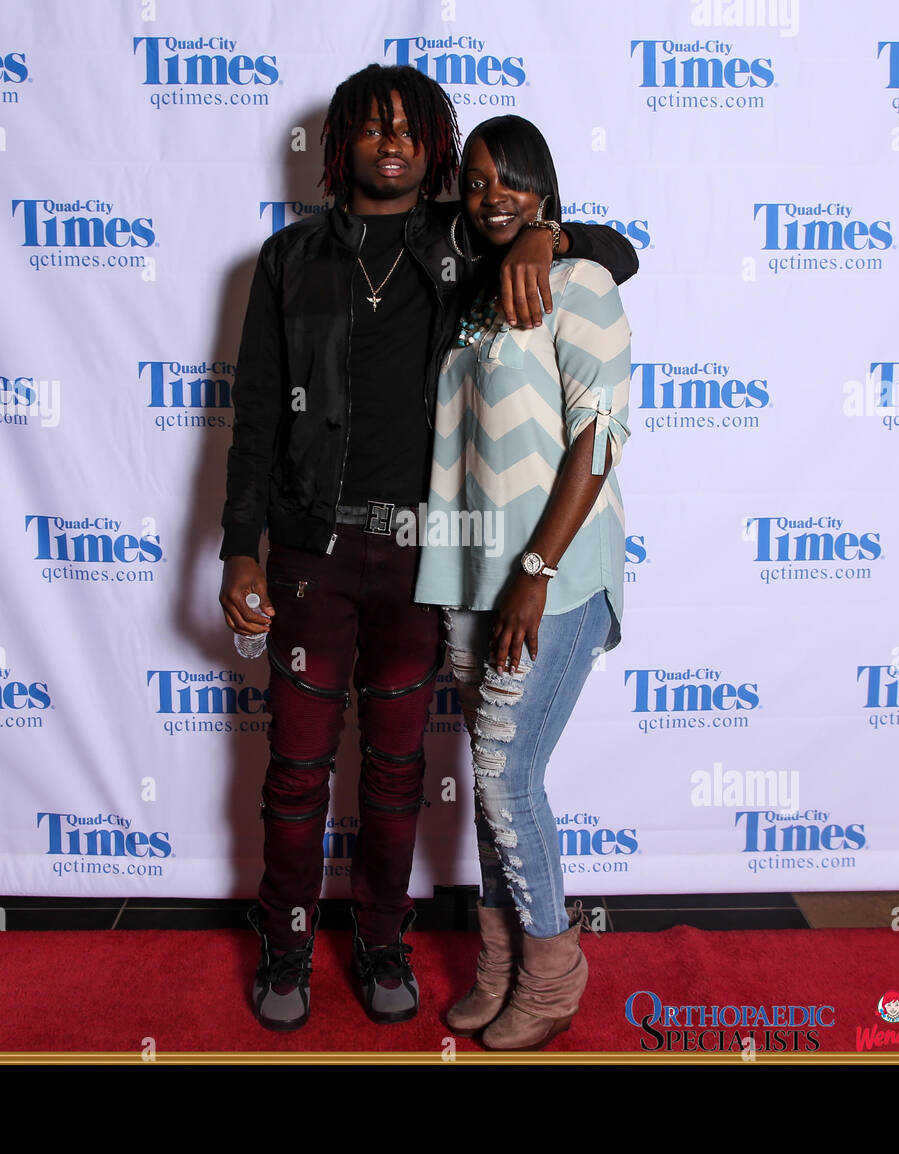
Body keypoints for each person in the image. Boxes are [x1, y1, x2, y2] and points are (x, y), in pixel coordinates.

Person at [219, 66, 637, 1032]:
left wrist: (550, 231)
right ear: (341, 146)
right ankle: (284, 949)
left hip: (426, 559)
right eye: (372, 127)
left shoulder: (466, 242)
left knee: (402, 772)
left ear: (436, 146)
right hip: (312, 554)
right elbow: (251, 420)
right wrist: (242, 549)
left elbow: (611, 254)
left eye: (411, 128)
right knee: (295, 765)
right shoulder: (287, 260)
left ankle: (381, 943)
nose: (393, 142)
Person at [414, 115, 633, 1050]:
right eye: (475, 181)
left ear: (544, 189)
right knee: (495, 782)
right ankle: (499, 966)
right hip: (470, 577)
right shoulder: (470, 298)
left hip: (553, 577)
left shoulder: (579, 283)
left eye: (513, 181)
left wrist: (536, 569)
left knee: (507, 779)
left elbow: (599, 434)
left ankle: (551, 976)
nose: (493, 195)